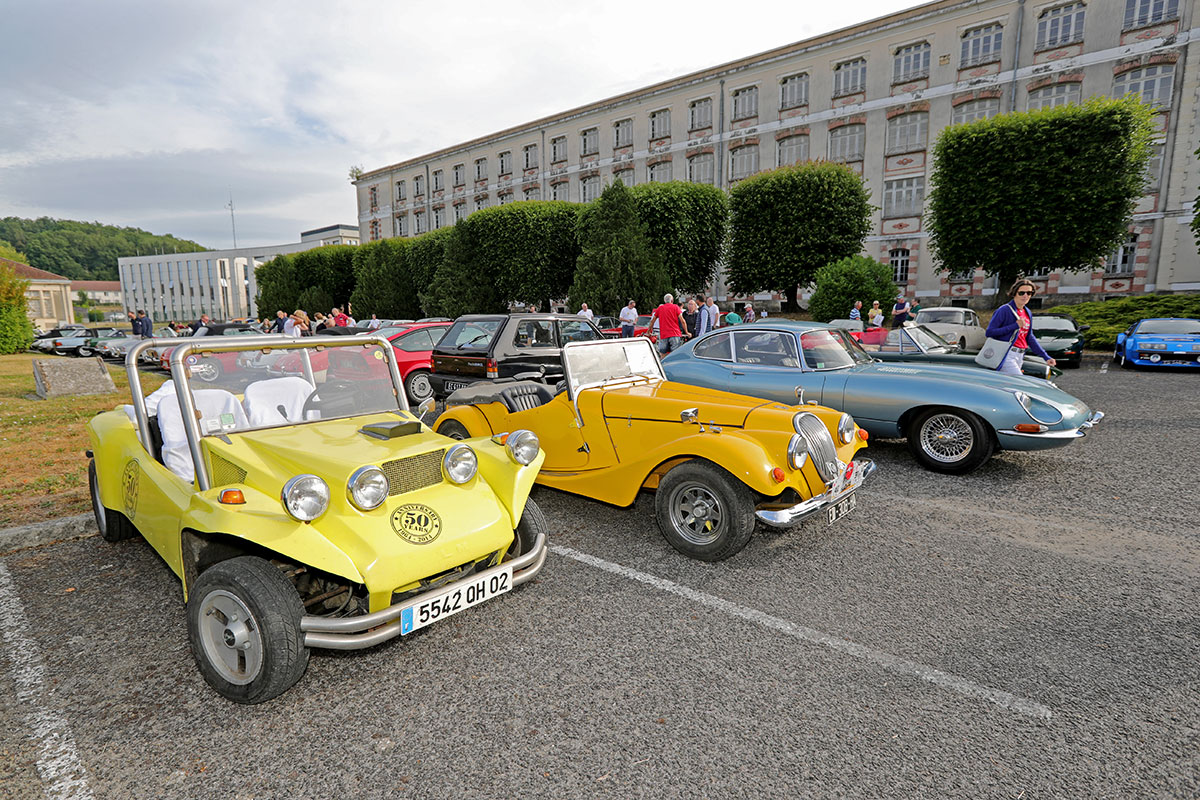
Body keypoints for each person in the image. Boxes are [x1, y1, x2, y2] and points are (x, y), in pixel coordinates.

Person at [985, 278, 1055, 376]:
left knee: (1010, 387)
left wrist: (1046, 357)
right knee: (1019, 382)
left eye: (1029, 293)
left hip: (1020, 355)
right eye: (1021, 293)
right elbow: (989, 332)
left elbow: (1029, 337)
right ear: (1014, 293)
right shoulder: (1004, 310)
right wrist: (1014, 326)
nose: (1025, 296)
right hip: (1006, 354)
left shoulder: (1027, 312)